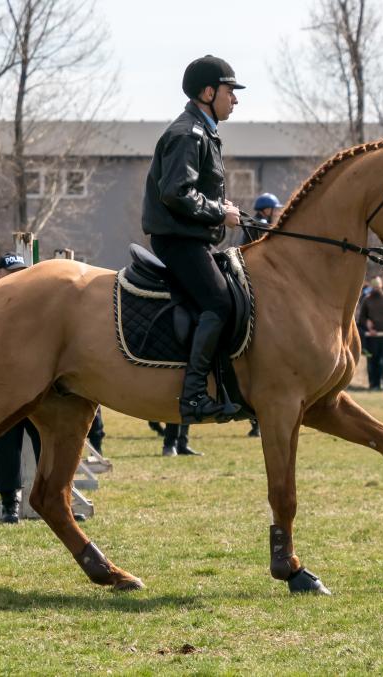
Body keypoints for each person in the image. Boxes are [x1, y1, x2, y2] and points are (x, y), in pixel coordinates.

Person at [141, 54, 244, 423]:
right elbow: (176, 192)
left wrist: (221, 207)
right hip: (178, 242)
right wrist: (219, 212)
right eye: (230, 91)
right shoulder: (189, 133)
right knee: (220, 304)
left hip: (191, 239)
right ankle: (194, 395)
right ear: (207, 91)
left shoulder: (202, 131)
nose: (235, 99)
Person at [0, 252, 38, 522]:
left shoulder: (34, 305)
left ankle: (59, 498)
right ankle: (10, 504)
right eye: (13, 273)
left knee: (50, 443)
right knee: (5, 446)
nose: (20, 277)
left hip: (35, 385)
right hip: (4, 388)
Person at [358, 276, 383, 390]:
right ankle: (374, 384)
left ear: (381, 286)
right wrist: (367, 324)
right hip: (373, 336)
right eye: (374, 286)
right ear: (371, 287)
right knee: (373, 361)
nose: (376, 288)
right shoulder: (367, 299)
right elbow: (361, 318)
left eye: (378, 286)